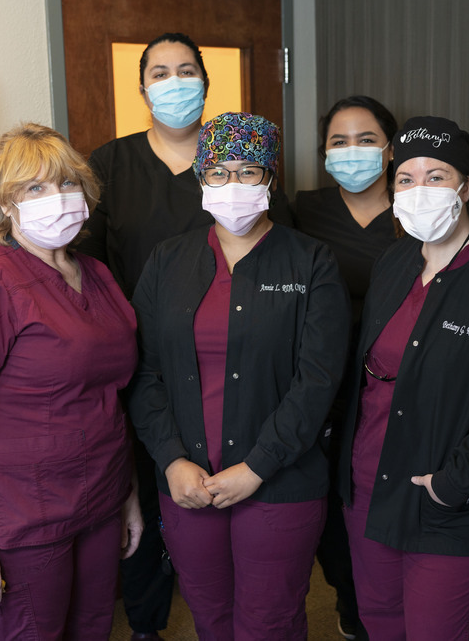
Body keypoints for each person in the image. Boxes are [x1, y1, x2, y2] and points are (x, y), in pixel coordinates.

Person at [77, 33, 290, 640]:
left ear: (205, 81)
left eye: (187, 70)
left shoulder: (239, 160)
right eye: (160, 72)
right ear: (141, 87)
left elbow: (282, 254)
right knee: (146, 491)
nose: (174, 82)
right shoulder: (110, 165)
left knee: (236, 512)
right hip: (140, 365)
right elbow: (84, 267)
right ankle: (147, 623)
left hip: (231, 364)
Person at [130, 112, 349, 640]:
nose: (234, 186)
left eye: (249, 173)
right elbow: (142, 370)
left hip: (280, 483)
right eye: (220, 173)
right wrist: (172, 459)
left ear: (270, 179)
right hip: (188, 484)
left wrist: (257, 466)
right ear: (202, 179)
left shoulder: (311, 262)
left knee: (269, 623)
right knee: (210, 619)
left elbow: (318, 381)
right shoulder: (168, 261)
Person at [337, 116, 469, 641]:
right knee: (380, 623)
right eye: (406, 179)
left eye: (436, 176)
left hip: (451, 500)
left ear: (466, 186)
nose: (419, 190)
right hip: (369, 486)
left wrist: (454, 482)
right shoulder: (392, 264)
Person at [0, 122, 143, 639]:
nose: (58, 198)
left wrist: (127, 495)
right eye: (35, 188)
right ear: (6, 203)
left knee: (92, 628)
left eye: (68, 183)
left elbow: (110, 398)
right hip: (20, 520)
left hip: (98, 501)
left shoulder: (96, 274)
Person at [293, 94, 399, 640]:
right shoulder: (303, 210)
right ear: (323, 152)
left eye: (365, 140)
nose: (351, 151)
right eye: (338, 142)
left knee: (380, 507)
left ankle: (379, 610)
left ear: (390, 148)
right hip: (321, 388)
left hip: (393, 392)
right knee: (331, 508)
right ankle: (349, 604)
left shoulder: (418, 208)